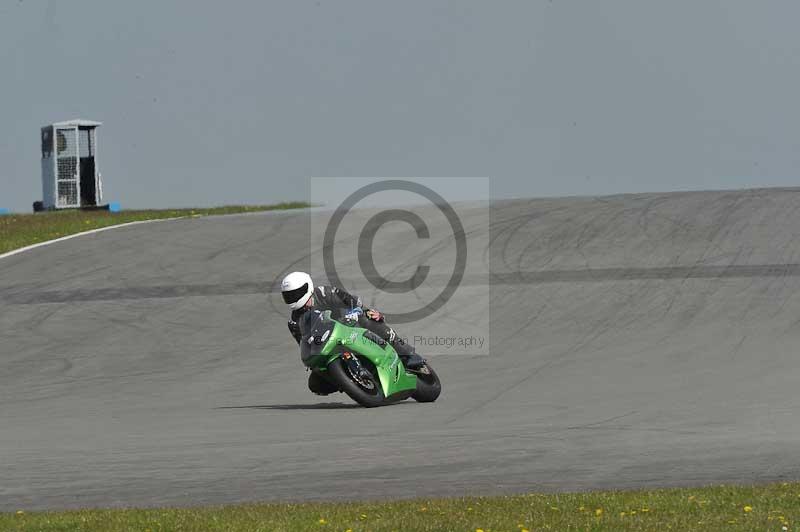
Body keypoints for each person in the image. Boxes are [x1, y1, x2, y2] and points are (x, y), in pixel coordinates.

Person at [281, 271, 424, 395]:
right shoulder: (295, 321)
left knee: (369, 319)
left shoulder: (325, 293)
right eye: (289, 296)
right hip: (328, 346)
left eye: (296, 293)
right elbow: (304, 343)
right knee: (315, 383)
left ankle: (407, 353)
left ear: (307, 286)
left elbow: (352, 302)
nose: (294, 298)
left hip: (351, 329)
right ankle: (348, 381)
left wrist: (366, 311)